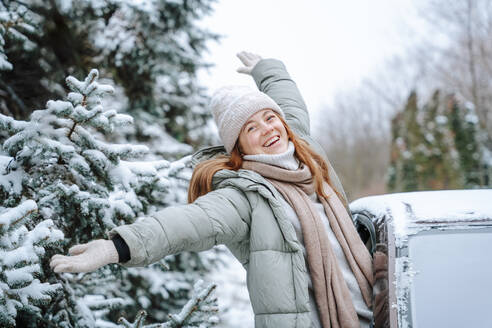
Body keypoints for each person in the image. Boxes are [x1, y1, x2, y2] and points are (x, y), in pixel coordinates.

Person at [50, 51, 374, 328]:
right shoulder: (245, 195)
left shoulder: (306, 152)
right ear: (240, 146)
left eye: (269, 117)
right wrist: (115, 247)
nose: (267, 129)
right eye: (251, 127)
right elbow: (184, 224)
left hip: (379, 308)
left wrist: (268, 70)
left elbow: (289, 101)